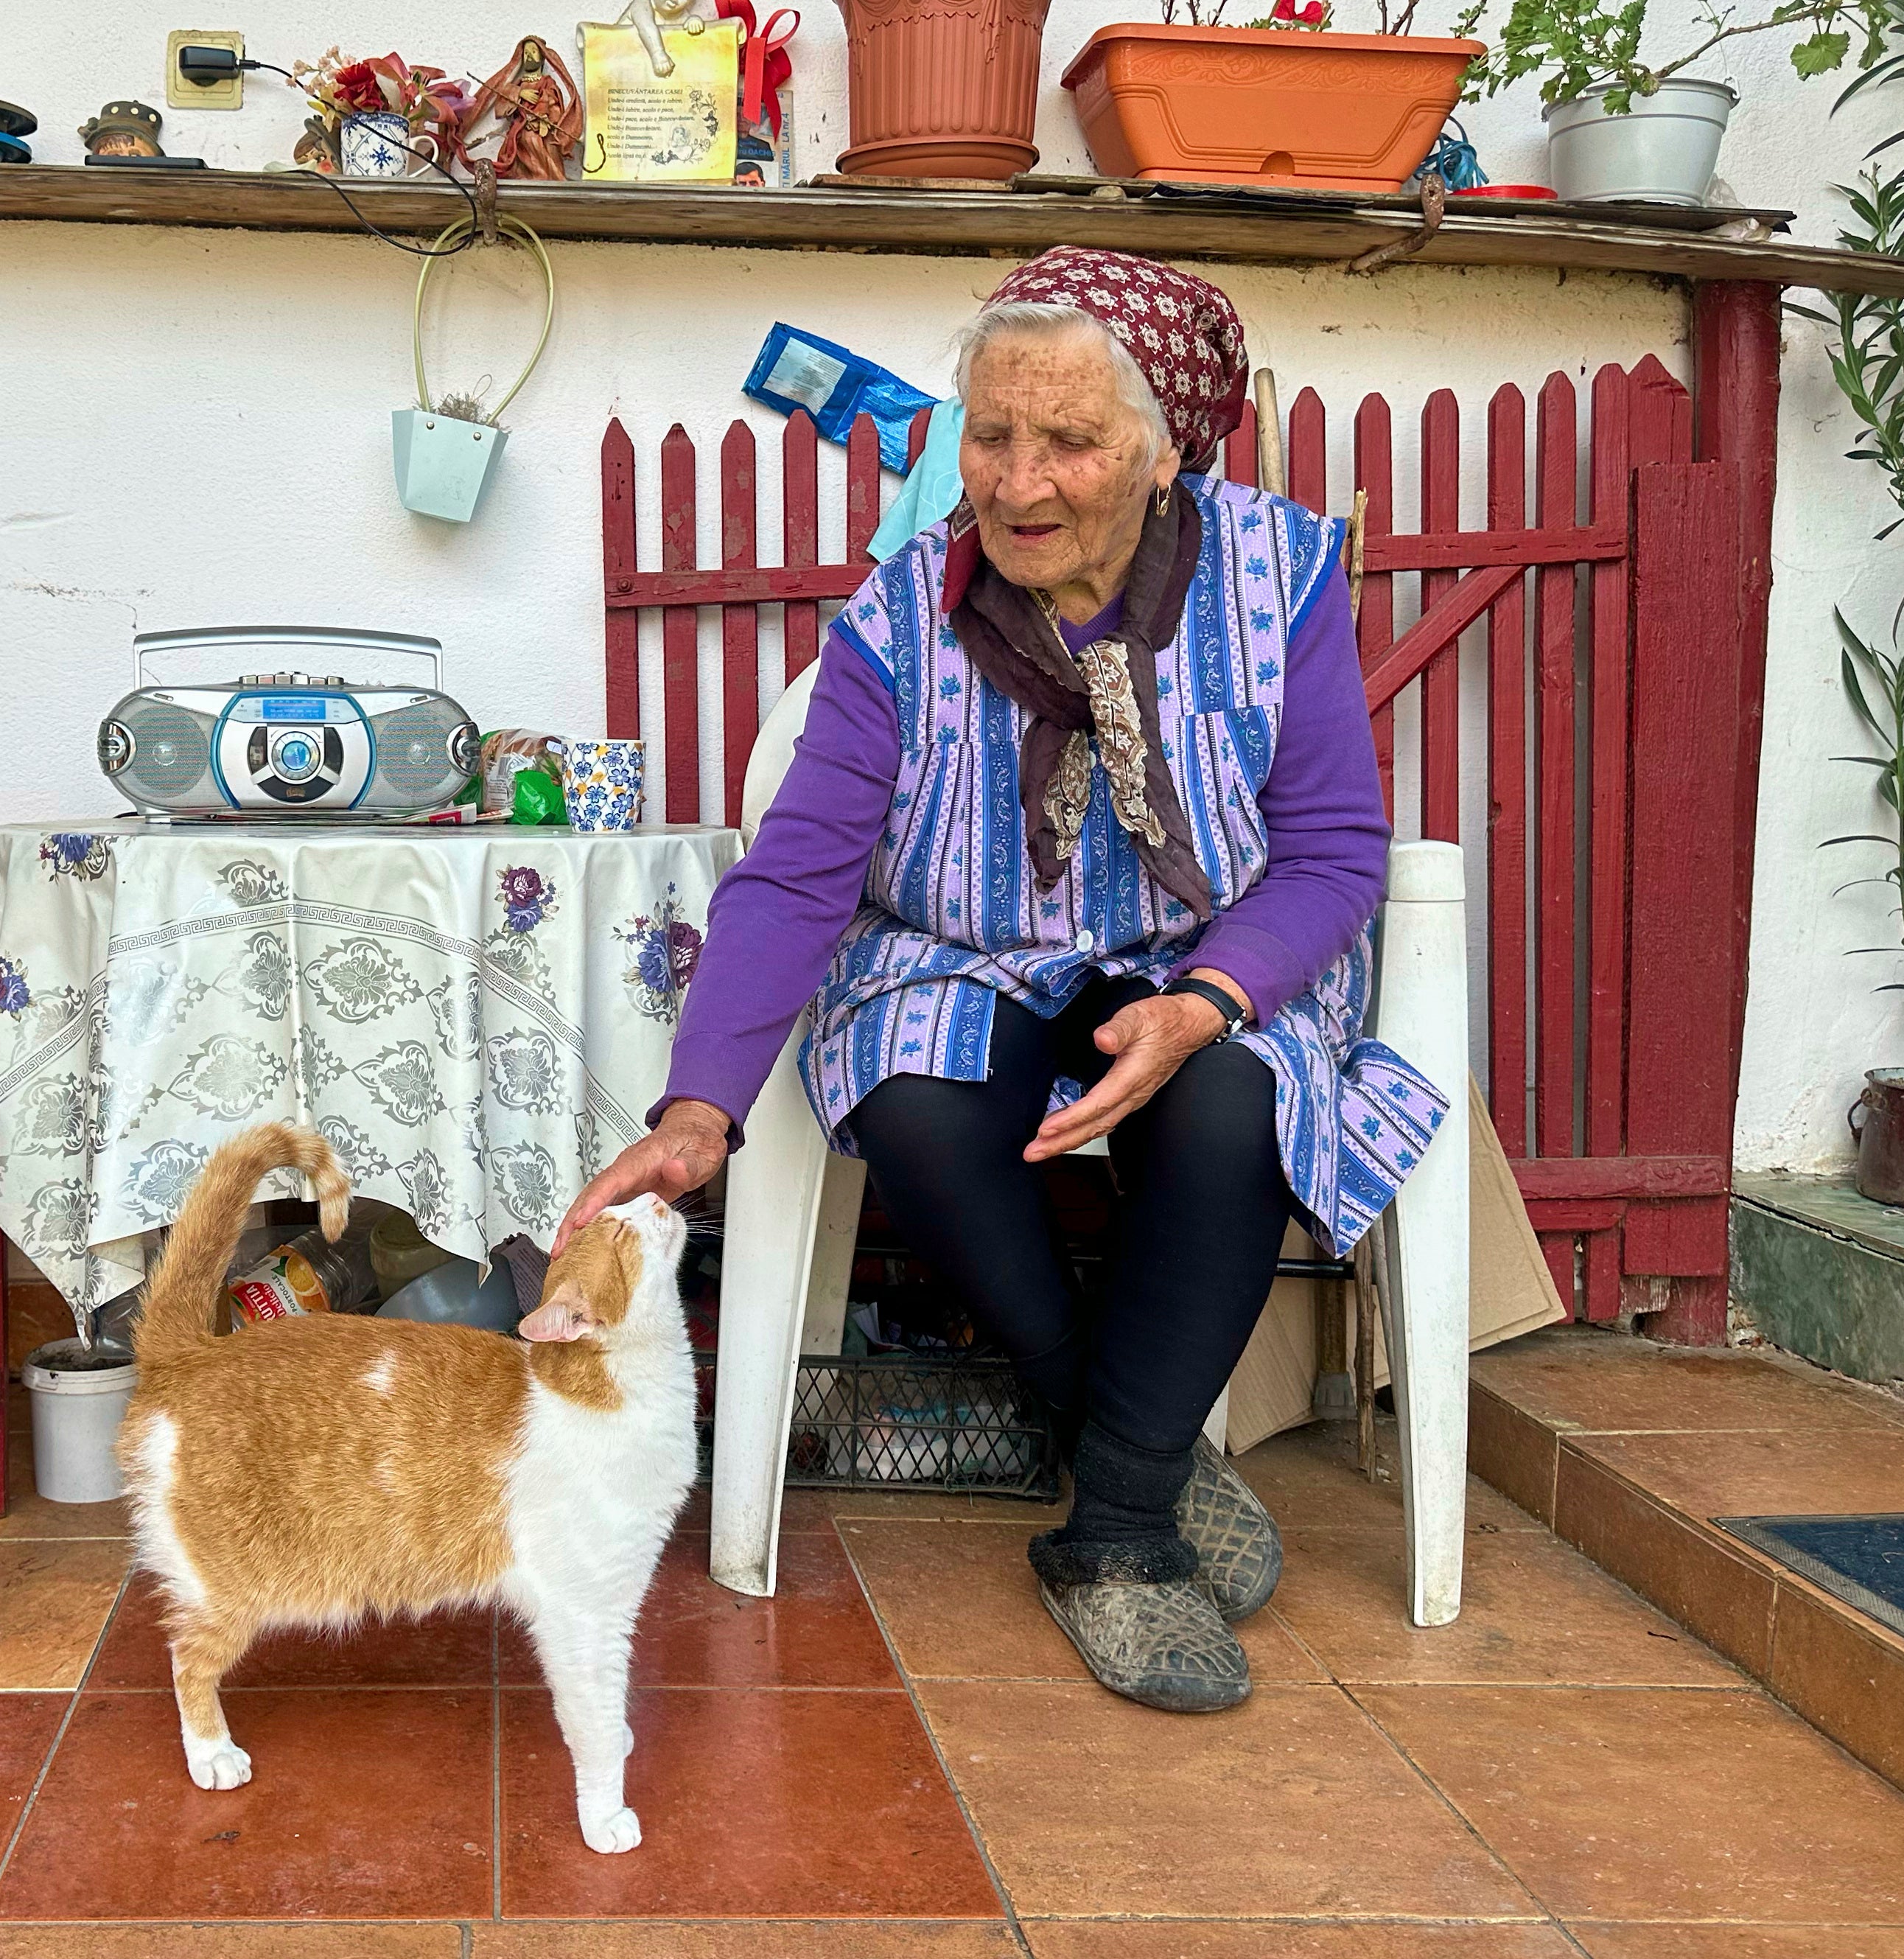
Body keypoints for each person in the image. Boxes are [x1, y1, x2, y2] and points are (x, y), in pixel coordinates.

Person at [557, 248, 1446, 1713]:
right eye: (987, 434)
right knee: (914, 1091)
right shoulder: (900, 618)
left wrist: (1208, 997)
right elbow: (798, 875)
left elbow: (1335, 851)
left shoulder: (1279, 572)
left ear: (1164, 452)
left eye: (1068, 442)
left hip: (1200, 952)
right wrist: (700, 1108)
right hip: (960, 940)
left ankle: (1112, 1533)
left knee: (1229, 1101)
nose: (1015, 481)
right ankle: (1113, 1427)